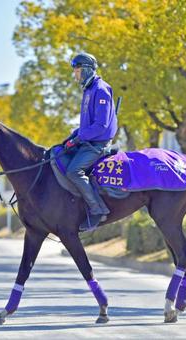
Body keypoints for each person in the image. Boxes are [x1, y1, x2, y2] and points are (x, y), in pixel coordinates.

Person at [63, 52, 118, 232]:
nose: (75, 74)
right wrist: (73, 136)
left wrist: (79, 138)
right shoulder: (88, 90)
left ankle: (97, 210)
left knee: (73, 171)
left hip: (98, 145)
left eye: (77, 70)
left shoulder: (100, 89)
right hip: (88, 141)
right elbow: (87, 125)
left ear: (86, 70)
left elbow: (100, 125)